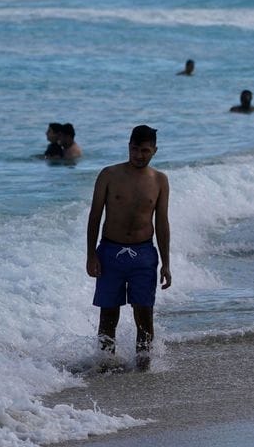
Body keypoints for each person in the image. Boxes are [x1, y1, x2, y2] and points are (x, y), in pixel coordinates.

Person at [86, 125, 170, 370]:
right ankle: (104, 366)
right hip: (110, 252)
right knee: (108, 315)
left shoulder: (159, 180)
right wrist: (91, 255)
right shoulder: (109, 175)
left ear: (154, 150)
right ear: (128, 146)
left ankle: (143, 369)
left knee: (144, 315)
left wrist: (166, 263)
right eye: (135, 149)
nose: (139, 155)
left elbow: (162, 223)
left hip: (144, 255)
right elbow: (94, 217)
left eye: (145, 150)